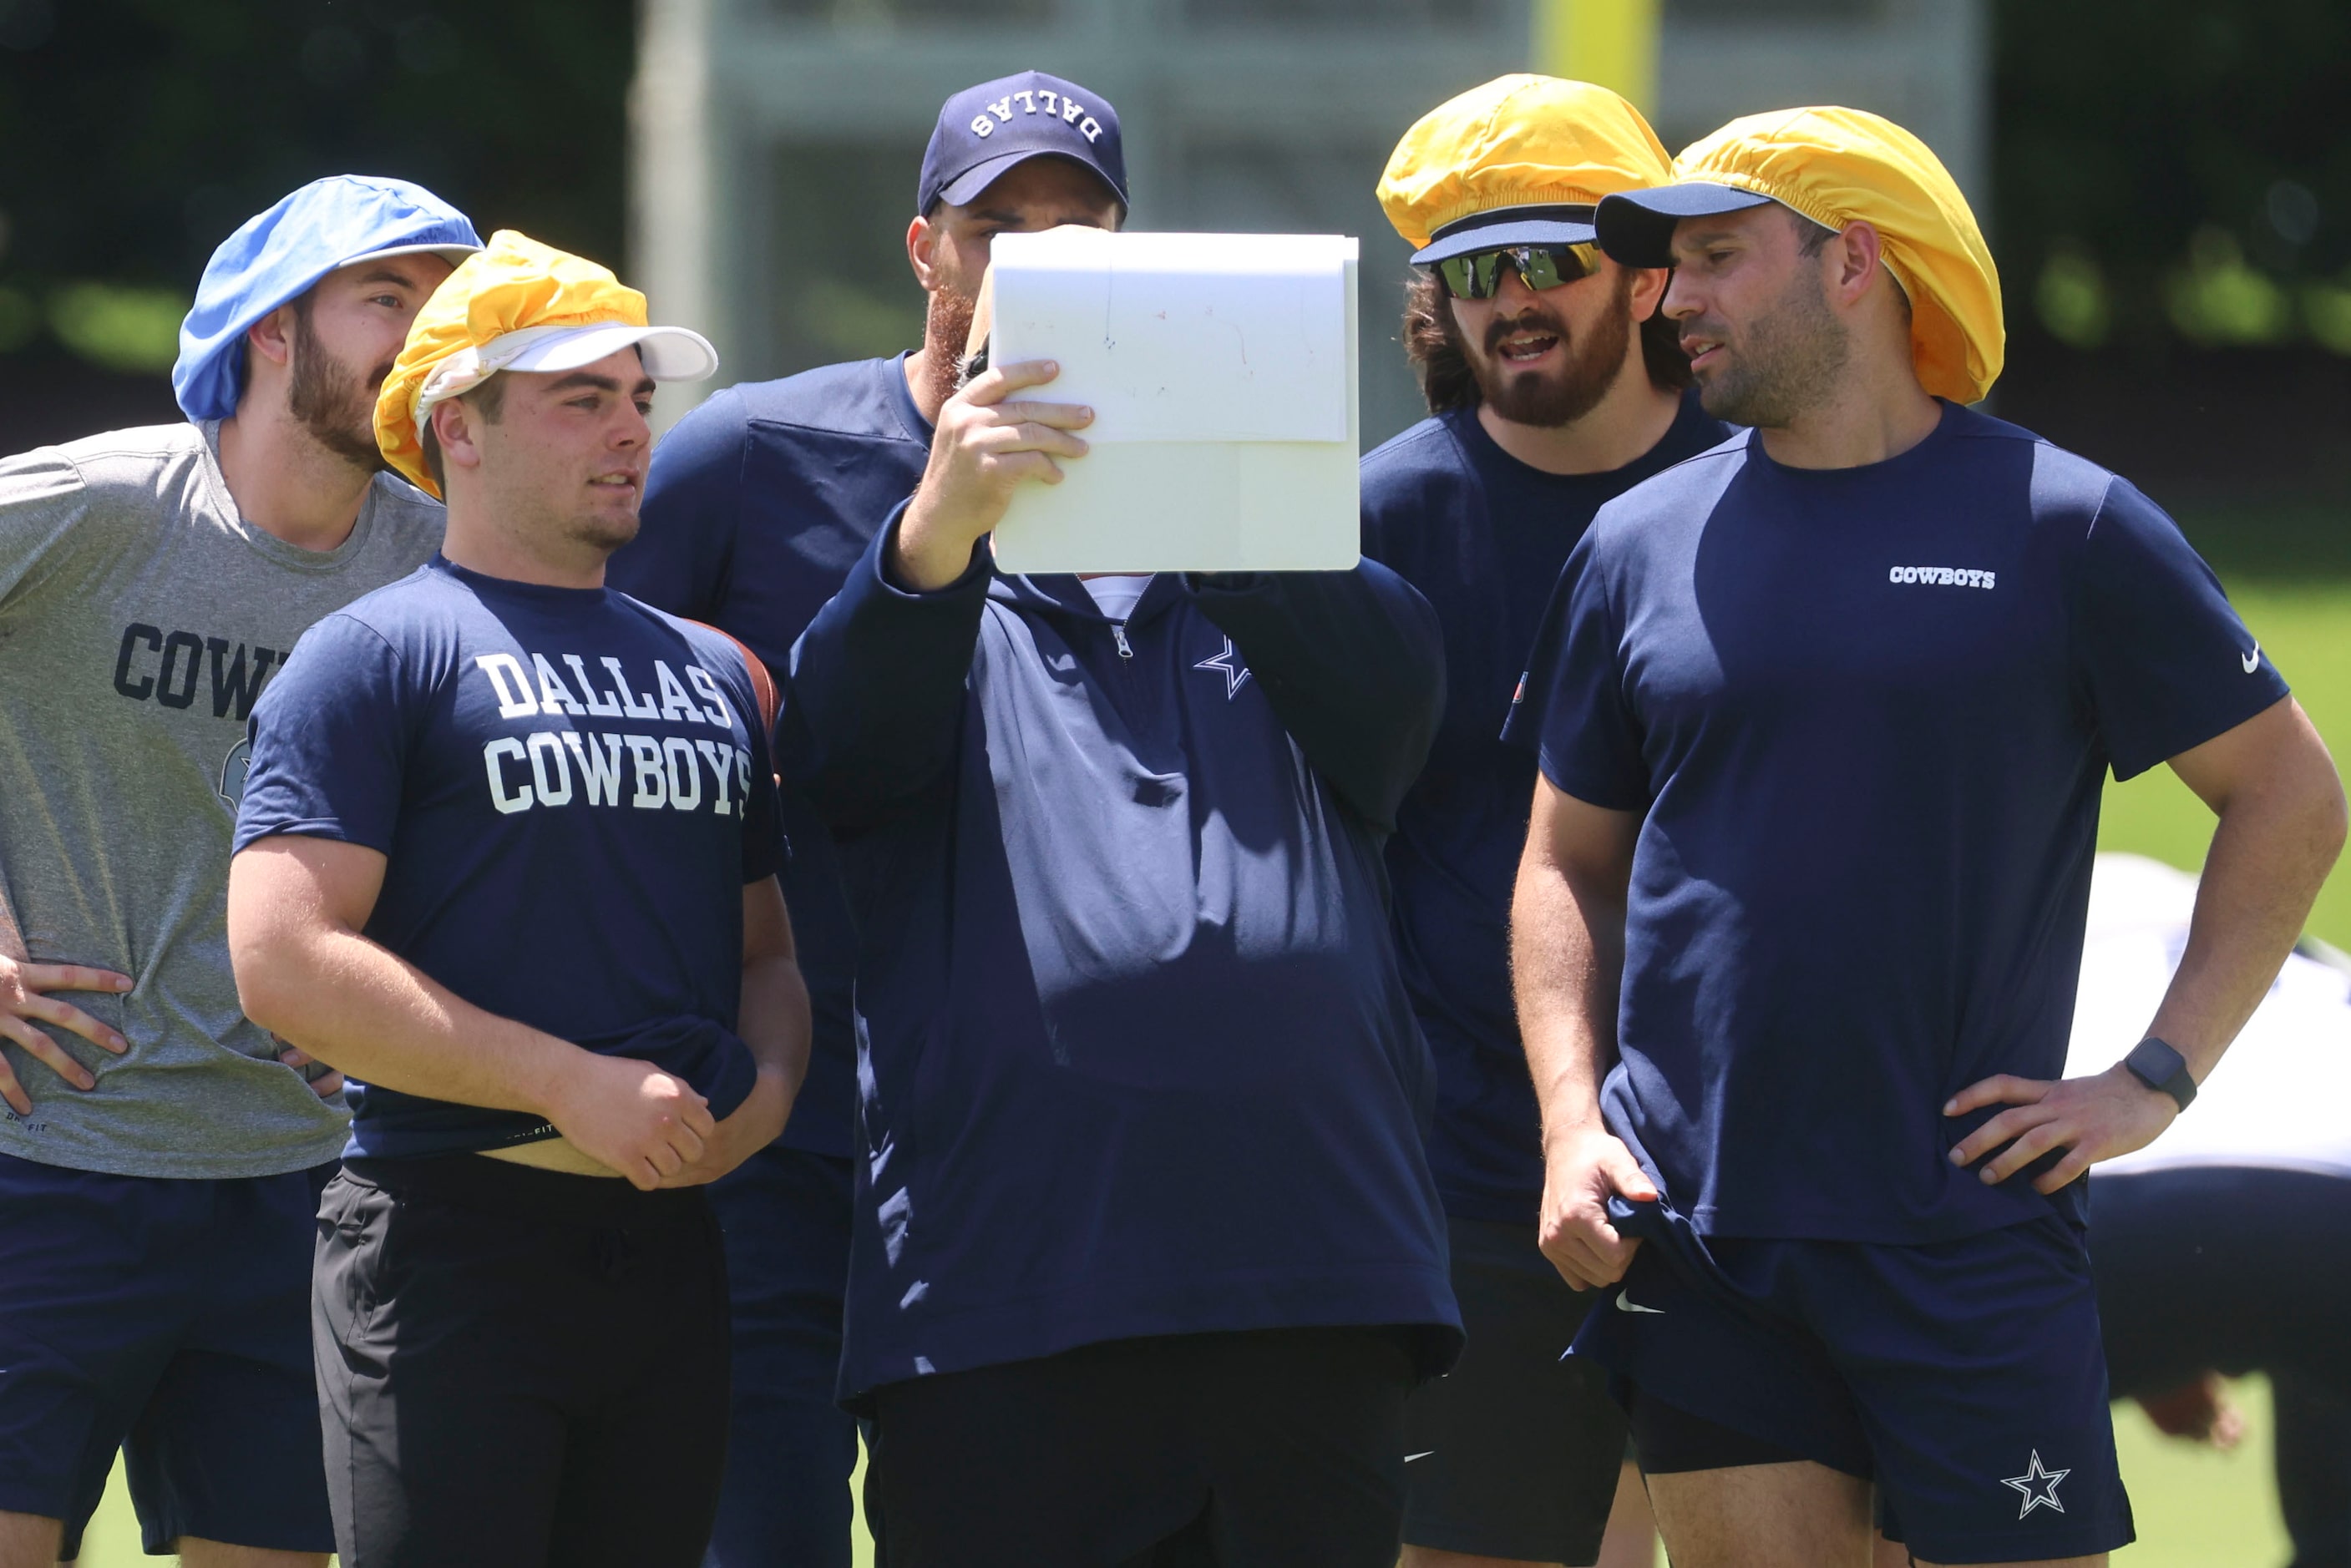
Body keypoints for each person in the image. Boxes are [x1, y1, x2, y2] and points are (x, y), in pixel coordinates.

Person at [1505, 104, 2347, 1568]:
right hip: (1703, 1235)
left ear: (1857, 264)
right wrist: (1573, 1124)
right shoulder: (1634, 545)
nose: (1671, 299)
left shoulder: (2068, 526)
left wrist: (2152, 1081)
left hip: (1974, 1236)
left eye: (1714, 257)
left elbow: (2291, 797)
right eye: (1664, 266)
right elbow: (1564, 863)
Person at [776, 329, 1462, 1557]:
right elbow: (837, 749)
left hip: (1314, 1285)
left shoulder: (1294, 578)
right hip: (1003, 1300)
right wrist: (940, 524)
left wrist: (1230, 489)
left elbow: (1395, 707)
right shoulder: (926, 604)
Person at [223, 230, 812, 1568]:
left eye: (638, 399)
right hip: (449, 1248)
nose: (629, 431)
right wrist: (564, 1080)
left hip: (673, 1248)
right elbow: (283, 958)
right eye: (578, 397)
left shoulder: (714, 671)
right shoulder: (370, 653)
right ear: (458, 427)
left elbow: (767, 952)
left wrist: (766, 1101)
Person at [603, 68, 1127, 1565]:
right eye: (997, 226)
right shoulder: (755, 455)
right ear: (925, 252)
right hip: (773, 1126)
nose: (1034, 259)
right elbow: (573, 713)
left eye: (1078, 229)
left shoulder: (1182, 489)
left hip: (1030, 1149)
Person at [0, 174, 479, 1568]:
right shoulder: (104, 505)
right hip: (47, 1157)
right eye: (387, 297)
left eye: (445, 305)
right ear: (274, 332)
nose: (425, 333)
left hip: (307, 1185)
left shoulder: (434, 564)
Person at [1362, 74, 1728, 1568]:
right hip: (1474, 1183)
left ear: (1646, 276)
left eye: (1546, 262)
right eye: (1468, 271)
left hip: (1766, 1172)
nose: (1505, 300)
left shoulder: (1771, 480)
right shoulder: (1371, 523)